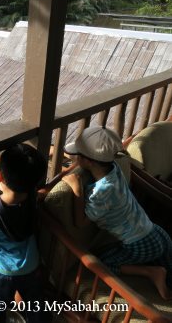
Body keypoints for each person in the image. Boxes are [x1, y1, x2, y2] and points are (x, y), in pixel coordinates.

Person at [63, 126, 172, 300]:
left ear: (89, 161)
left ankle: (151, 272)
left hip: (140, 245)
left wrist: (77, 189)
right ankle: (161, 275)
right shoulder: (114, 168)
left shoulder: (102, 193)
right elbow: (89, 159)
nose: (75, 158)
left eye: (79, 155)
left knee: (105, 262)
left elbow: (81, 223)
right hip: (157, 233)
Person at [0, 144, 48, 323]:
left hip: (0, 270)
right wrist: (0, 181)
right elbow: (19, 189)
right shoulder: (32, 197)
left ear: (0, 176)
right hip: (30, 266)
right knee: (34, 305)